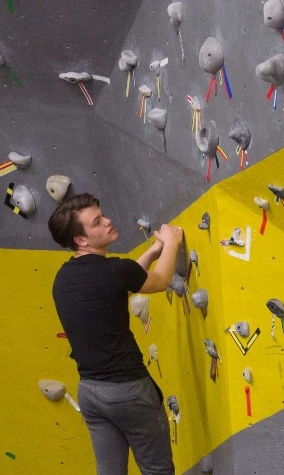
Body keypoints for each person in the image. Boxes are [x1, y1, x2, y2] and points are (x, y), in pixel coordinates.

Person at [48, 193, 182, 475]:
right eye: (97, 222)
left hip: (91, 393)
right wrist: (171, 243)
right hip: (128, 390)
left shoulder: (63, 278)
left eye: (103, 214)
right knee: (157, 470)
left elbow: (121, 282)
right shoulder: (115, 271)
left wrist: (153, 252)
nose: (107, 221)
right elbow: (158, 282)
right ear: (81, 240)